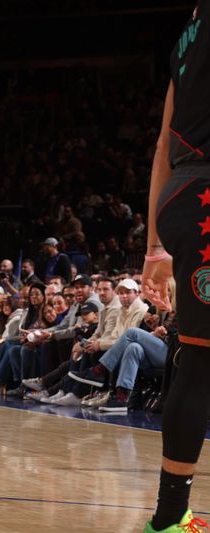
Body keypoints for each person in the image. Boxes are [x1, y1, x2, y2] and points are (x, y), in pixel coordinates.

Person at [141, 3, 210, 530]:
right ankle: (168, 518)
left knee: (199, 359)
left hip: (183, 194)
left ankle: (171, 514)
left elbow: (164, 144)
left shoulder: (184, 38)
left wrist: (155, 248)